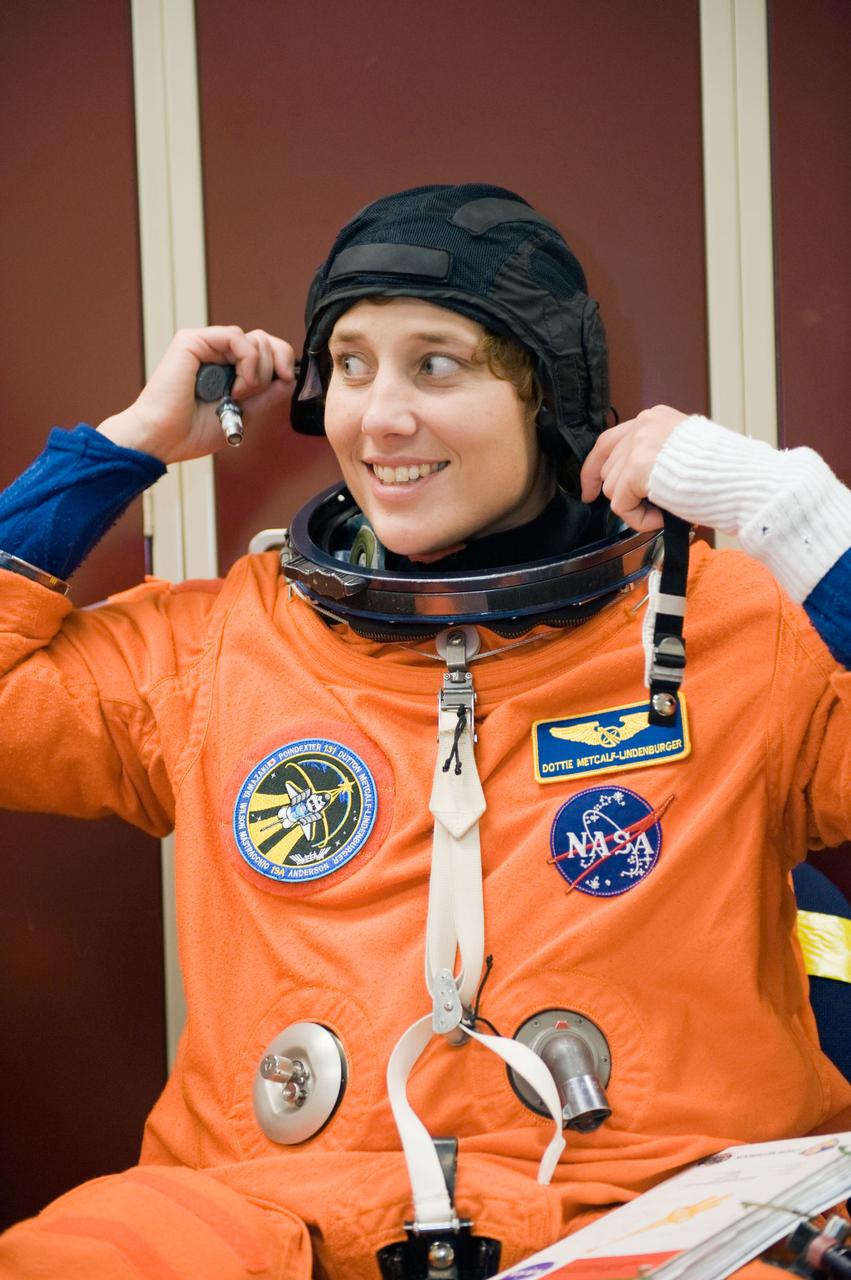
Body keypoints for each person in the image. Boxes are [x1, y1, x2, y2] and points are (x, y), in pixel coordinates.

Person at [0, 183, 848, 1280]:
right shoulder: (225, 646)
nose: (375, 416)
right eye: (348, 364)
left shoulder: (731, 632)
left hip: (647, 1209)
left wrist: (790, 509)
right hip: (274, 1217)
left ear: (548, 396)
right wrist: (119, 448)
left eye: (434, 364)